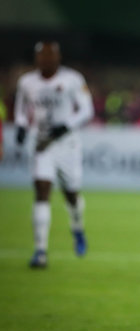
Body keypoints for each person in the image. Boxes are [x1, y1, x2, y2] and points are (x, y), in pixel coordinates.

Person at [14, 41, 94, 268]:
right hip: (43, 145)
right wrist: (20, 127)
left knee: (72, 195)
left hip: (68, 145)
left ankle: (77, 228)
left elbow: (87, 110)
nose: (46, 61)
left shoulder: (72, 80)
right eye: (42, 57)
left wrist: (65, 126)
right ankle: (40, 251)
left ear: (58, 58)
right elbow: (22, 108)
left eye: (51, 57)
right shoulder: (27, 82)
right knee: (41, 192)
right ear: (36, 59)